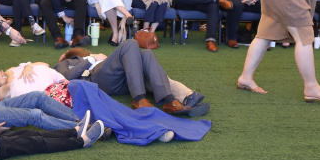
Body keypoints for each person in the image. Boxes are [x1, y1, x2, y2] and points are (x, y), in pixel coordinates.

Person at [0, 66, 211, 146]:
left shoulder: (18, 72)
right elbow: (7, 85)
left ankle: (151, 126)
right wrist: (10, 73)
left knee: (113, 108)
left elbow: (35, 64)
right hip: (60, 98)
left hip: (69, 87)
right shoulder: (4, 94)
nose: (0, 72)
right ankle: (152, 130)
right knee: (104, 111)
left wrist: (27, 66)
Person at [55, 44, 209, 116]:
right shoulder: (64, 63)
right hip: (96, 78)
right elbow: (67, 77)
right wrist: (92, 59)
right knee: (130, 43)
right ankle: (139, 99)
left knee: (146, 54)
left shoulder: (89, 56)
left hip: (119, 79)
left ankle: (169, 100)